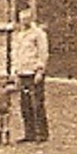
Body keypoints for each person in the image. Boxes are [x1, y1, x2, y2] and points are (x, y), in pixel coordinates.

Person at [12, 8, 49, 143]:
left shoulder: (38, 34)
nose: (23, 22)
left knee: (37, 103)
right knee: (24, 104)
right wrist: (15, 71)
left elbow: (43, 53)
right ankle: (29, 133)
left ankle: (42, 133)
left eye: (25, 20)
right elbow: (15, 54)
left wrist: (40, 71)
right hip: (22, 73)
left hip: (33, 73)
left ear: (31, 19)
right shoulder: (19, 35)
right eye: (21, 20)